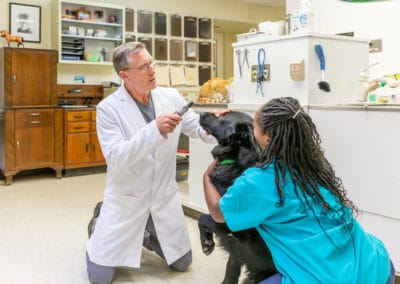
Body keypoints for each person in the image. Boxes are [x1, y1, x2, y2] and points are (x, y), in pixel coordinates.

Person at [203, 97, 395, 284]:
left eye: (253, 126)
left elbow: (218, 214)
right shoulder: (317, 165)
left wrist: (207, 177)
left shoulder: (259, 182)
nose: (251, 130)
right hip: (377, 267)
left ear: (267, 137)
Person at [86, 41, 216, 284]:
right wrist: (153, 129)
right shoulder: (108, 109)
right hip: (127, 199)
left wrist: (219, 127)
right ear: (125, 75)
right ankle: (98, 222)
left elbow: (198, 129)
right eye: (144, 66)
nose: (152, 70)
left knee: (182, 263)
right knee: (99, 278)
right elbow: (116, 158)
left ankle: (145, 231)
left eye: (151, 63)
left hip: (161, 197)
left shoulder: (170, 97)